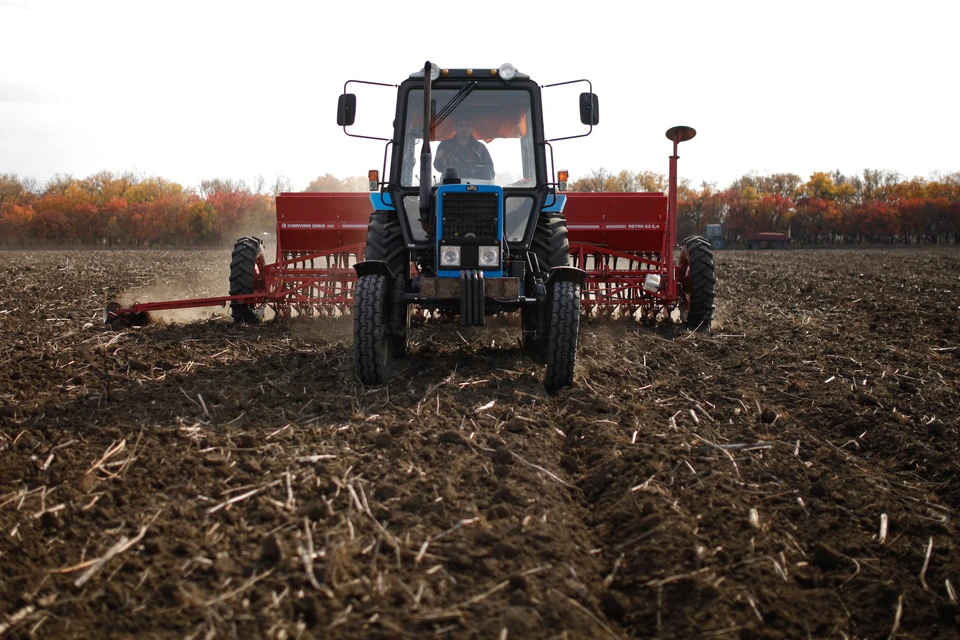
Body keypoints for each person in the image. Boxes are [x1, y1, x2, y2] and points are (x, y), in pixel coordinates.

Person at [434, 115, 494, 180]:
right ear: (455, 127)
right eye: (461, 125)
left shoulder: (480, 147)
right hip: (450, 183)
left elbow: (489, 171)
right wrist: (440, 160)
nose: (464, 129)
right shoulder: (444, 145)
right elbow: (438, 167)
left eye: (468, 126)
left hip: (475, 185)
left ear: (472, 128)